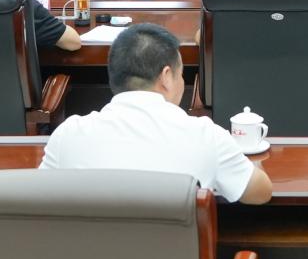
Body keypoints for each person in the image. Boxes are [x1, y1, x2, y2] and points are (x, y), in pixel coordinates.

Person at [42, 22, 273, 203]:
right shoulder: (206, 135)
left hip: (91, 253)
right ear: (166, 77)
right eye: (181, 74)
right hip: (176, 253)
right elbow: (259, 193)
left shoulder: (67, 135)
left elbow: (39, 203)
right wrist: (250, 150)